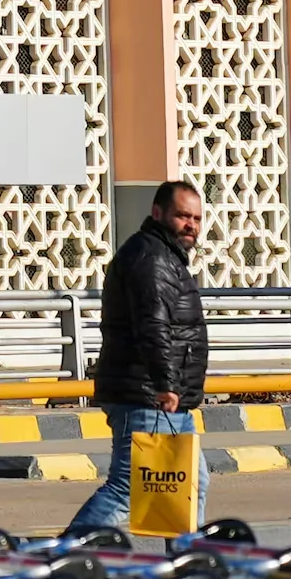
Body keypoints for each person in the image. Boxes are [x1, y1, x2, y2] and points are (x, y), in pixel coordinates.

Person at [71, 181, 211, 536]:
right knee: (128, 487)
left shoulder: (164, 256)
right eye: (182, 216)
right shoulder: (152, 258)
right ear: (158, 213)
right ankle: (64, 554)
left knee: (190, 483)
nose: (191, 225)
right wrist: (165, 383)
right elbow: (153, 324)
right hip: (148, 395)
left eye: (196, 218)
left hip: (162, 395)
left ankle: (182, 561)